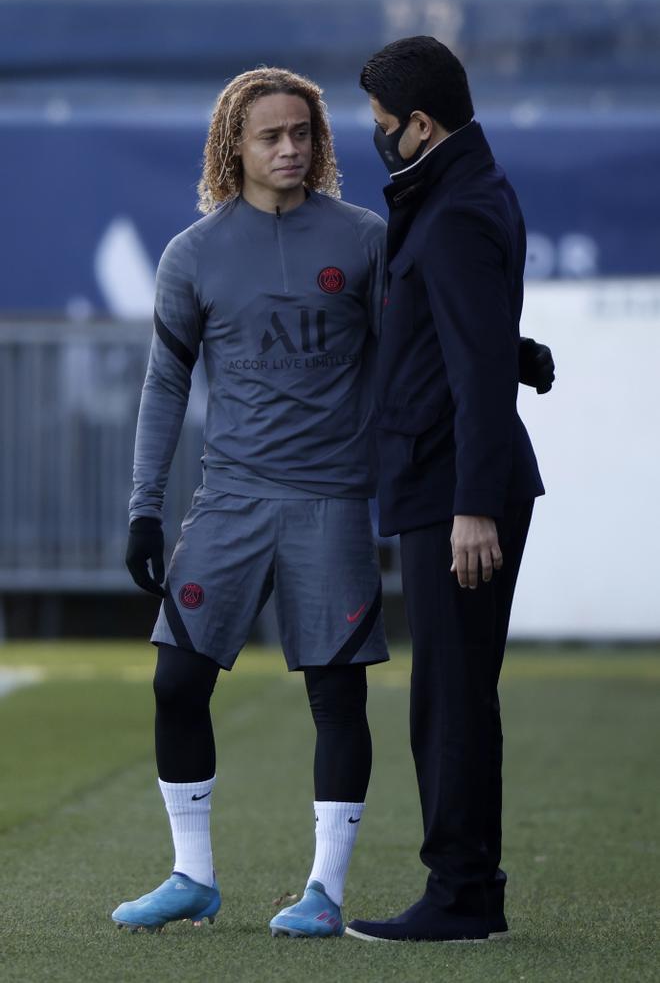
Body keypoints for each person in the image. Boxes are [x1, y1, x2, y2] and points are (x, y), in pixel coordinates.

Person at [112, 67, 389, 937]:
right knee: (176, 682)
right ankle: (192, 874)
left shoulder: (366, 237)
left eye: (303, 133)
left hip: (331, 503)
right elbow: (165, 385)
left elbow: (416, 351)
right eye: (271, 136)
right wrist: (144, 509)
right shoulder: (192, 254)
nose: (290, 149)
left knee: (337, 698)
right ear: (234, 146)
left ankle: (325, 892)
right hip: (228, 502)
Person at [345, 37, 552, 943]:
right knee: (457, 691)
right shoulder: (462, 190)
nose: (378, 141)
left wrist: (472, 504)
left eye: (386, 128)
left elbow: (470, 369)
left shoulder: (456, 206)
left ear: (421, 126)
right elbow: (468, 338)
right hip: (448, 475)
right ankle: (468, 889)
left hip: (456, 489)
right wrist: (527, 358)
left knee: (452, 698)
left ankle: (462, 895)